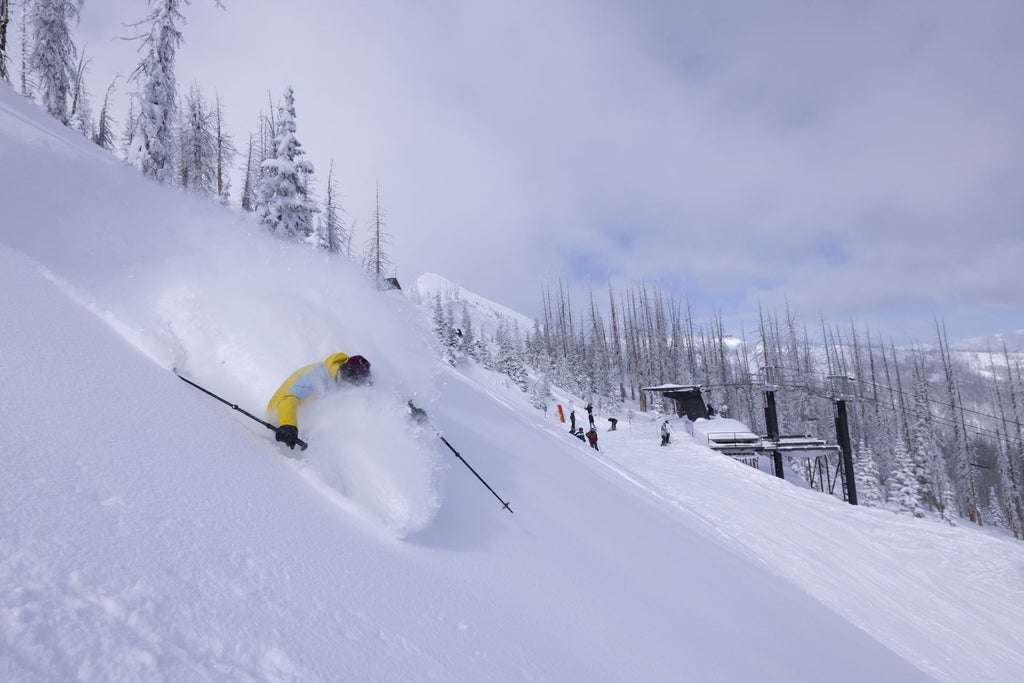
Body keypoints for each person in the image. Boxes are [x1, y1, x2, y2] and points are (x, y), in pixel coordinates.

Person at [267, 352, 372, 449]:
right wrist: (288, 425)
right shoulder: (314, 378)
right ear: (346, 373)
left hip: (299, 423)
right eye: (354, 383)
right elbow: (287, 399)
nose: (353, 387)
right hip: (280, 422)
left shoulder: (336, 376)